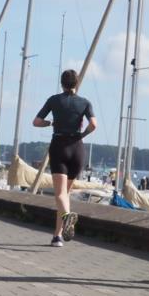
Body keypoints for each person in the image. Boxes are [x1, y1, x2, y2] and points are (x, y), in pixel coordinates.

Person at [33, 69, 97, 247]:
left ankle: (67, 217)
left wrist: (51, 123)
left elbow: (36, 121)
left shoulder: (54, 100)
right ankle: (57, 236)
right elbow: (94, 124)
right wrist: (82, 135)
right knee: (65, 195)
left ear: (62, 83)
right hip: (77, 148)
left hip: (59, 146)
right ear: (77, 83)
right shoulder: (85, 102)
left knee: (60, 194)